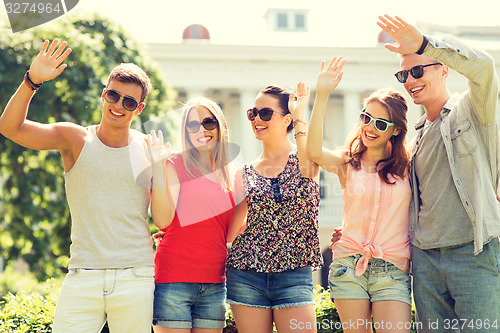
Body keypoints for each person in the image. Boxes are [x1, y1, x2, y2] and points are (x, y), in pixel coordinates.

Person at [0, 39, 155, 332]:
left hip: (136, 275)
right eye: (113, 95)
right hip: (83, 275)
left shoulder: (150, 148)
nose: (119, 105)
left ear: (139, 108)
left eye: (129, 101)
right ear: (103, 95)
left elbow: (174, 207)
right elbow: (9, 127)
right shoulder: (75, 139)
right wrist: (32, 81)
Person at [377, 15, 500, 332]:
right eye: (404, 74)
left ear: (444, 70)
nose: (409, 80)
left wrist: (424, 44)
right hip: (426, 262)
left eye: (418, 70)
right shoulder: (415, 137)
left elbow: (484, 68)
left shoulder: (471, 112)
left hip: (473, 254)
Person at [307, 57, 412, 333]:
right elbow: (315, 152)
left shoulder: (409, 167)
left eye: (380, 123)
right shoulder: (347, 162)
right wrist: (322, 95)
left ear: (396, 130)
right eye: (366, 118)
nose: (369, 127)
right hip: (348, 266)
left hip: (392, 268)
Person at [225, 82, 323, 333]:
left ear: (286, 119)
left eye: (265, 113)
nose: (257, 119)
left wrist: (301, 115)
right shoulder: (243, 173)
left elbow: (309, 170)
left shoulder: (306, 159)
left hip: (294, 274)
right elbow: (232, 231)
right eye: (252, 113)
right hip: (246, 274)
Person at [145, 97, 237, 333]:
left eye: (208, 123)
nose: (202, 130)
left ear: (220, 126)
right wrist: (157, 165)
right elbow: (162, 221)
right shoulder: (175, 164)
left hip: (215, 284)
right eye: (193, 125)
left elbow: (230, 234)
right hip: (174, 281)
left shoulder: (229, 176)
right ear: (186, 131)